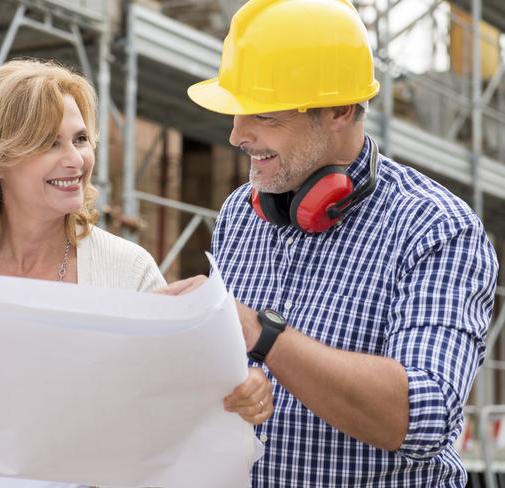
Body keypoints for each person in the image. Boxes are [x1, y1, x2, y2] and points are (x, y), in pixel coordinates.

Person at [0, 59, 273, 488]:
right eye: (49, 144)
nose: (76, 160)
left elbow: (177, 403)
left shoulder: (127, 271)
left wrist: (243, 389)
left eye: (80, 140)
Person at [160, 0, 499, 486]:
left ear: (340, 110)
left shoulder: (437, 229)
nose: (237, 135)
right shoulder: (242, 210)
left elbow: (420, 418)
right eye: (237, 112)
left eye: (265, 116)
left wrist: (264, 336)